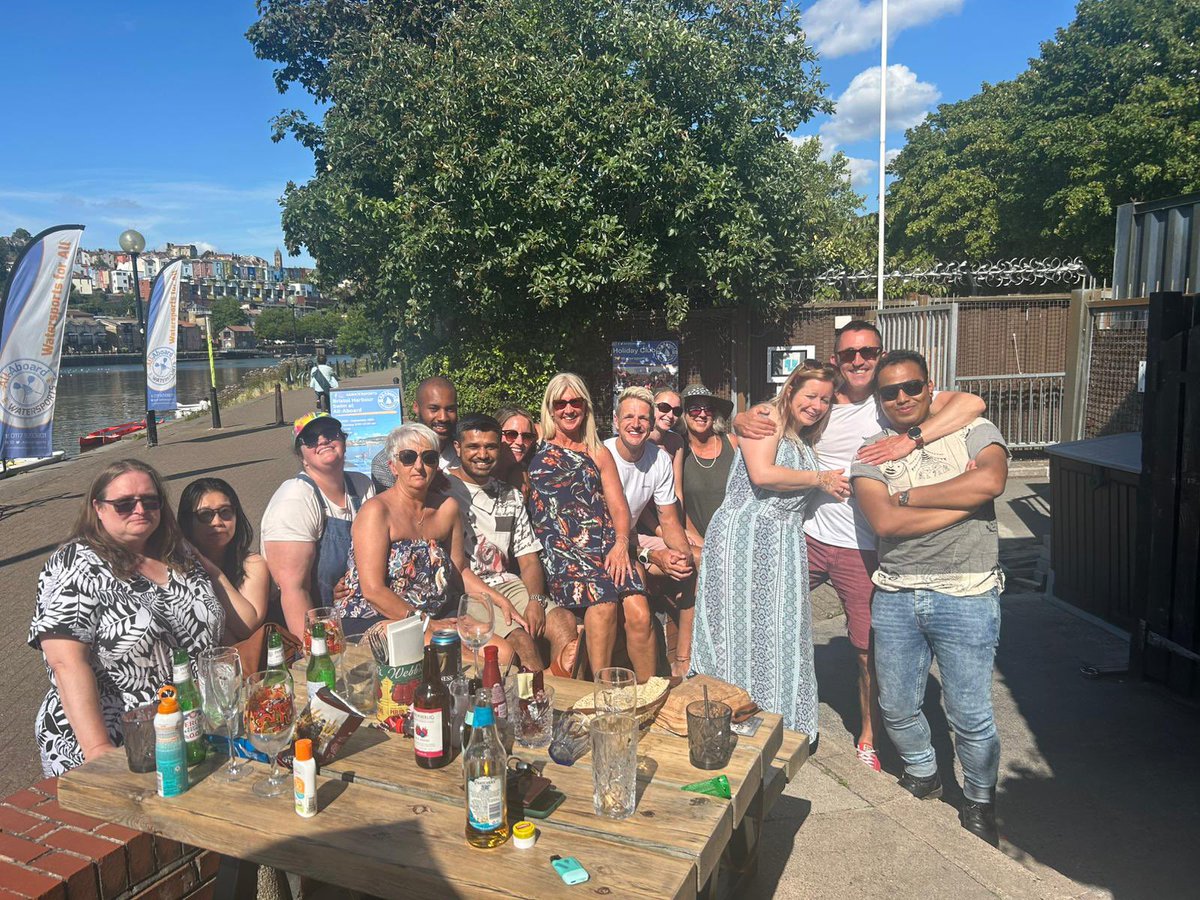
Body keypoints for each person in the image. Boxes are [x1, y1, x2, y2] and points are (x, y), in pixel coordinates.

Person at [735, 320, 986, 771]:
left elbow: (972, 402)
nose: (859, 360)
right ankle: (756, 707)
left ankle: (869, 735)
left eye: (868, 352)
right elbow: (774, 413)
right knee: (763, 614)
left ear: (879, 353)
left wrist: (910, 439)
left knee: (867, 648)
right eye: (849, 353)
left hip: (863, 546)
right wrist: (740, 417)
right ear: (836, 359)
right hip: (806, 534)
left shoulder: (893, 401)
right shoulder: (824, 402)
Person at [850, 350, 1009, 847]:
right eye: (889, 391)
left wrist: (910, 494)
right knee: (896, 705)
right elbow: (886, 523)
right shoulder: (871, 451)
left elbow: (992, 479)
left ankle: (980, 800)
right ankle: (923, 771)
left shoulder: (974, 429)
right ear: (879, 398)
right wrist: (964, 501)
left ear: (930, 386)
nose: (901, 397)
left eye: (911, 387)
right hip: (896, 594)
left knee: (969, 713)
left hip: (967, 591)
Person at [29, 460, 261, 776]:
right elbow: (66, 663)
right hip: (120, 738)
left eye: (150, 501)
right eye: (124, 504)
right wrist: (98, 751)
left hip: (190, 729)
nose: (140, 509)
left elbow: (216, 631)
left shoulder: (178, 552)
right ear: (98, 508)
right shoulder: (75, 564)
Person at [693, 367, 843, 735]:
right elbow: (761, 473)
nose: (817, 405)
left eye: (825, 399)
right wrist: (820, 479)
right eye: (810, 395)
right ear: (791, 390)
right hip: (747, 538)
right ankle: (727, 716)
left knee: (779, 633)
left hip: (783, 543)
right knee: (736, 631)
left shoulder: (803, 437)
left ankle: (779, 721)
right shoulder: (768, 416)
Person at [342, 423, 526, 657]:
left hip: (435, 613)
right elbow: (373, 591)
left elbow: (459, 569)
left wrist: (498, 600)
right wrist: (426, 623)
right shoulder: (377, 511)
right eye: (408, 458)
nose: (418, 466)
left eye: (428, 458)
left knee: (501, 653)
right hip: (375, 616)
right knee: (449, 653)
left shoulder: (446, 509)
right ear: (393, 466)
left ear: (436, 465)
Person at [527, 373, 655, 681]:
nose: (568, 409)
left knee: (639, 611)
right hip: (562, 551)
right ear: (550, 407)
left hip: (605, 545)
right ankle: (603, 692)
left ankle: (654, 691)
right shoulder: (533, 446)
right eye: (561, 403)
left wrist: (622, 544)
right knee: (604, 602)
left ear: (586, 406)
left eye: (576, 402)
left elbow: (619, 506)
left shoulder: (598, 451)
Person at [446, 413, 577, 670]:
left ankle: (558, 690)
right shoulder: (443, 489)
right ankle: (543, 698)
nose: (482, 454)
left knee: (564, 621)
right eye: (473, 446)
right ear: (457, 448)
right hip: (468, 591)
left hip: (508, 583)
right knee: (521, 640)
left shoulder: (510, 496)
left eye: (490, 446)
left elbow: (528, 559)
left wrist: (536, 600)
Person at [604, 387, 698, 678]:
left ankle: (684, 660)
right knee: (640, 592)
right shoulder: (602, 455)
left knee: (699, 561)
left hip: (632, 540)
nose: (636, 424)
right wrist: (654, 556)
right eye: (629, 417)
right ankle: (643, 682)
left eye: (643, 418)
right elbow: (604, 533)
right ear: (617, 421)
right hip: (604, 546)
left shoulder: (658, 459)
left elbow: (669, 520)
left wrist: (681, 557)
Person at [261, 412, 375, 638]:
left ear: (343, 440)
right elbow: (293, 590)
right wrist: (318, 650)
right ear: (301, 455)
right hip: (313, 622)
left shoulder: (362, 486)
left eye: (330, 433)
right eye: (311, 438)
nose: (322, 440)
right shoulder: (295, 497)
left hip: (357, 612)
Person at [178, 477, 271, 633]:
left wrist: (215, 574)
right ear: (188, 521)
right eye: (205, 514)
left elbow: (247, 626)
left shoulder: (251, 563)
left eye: (225, 512)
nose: (217, 522)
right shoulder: (176, 567)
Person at [371, 376, 459, 491]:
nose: (443, 417)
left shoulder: (467, 452)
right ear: (416, 408)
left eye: (450, 409)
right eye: (434, 409)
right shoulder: (387, 462)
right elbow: (389, 506)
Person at [679, 382, 738, 543]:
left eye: (708, 409)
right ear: (683, 414)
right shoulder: (678, 450)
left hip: (735, 536)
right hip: (697, 541)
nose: (702, 414)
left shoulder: (732, 443)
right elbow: (679, 505)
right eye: (695, 409)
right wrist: (699, 542)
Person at [493, 405, 539, 499]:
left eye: (527, 436)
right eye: (511, 434)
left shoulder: (532, 468)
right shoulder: (479, 470)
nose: (520, 442)